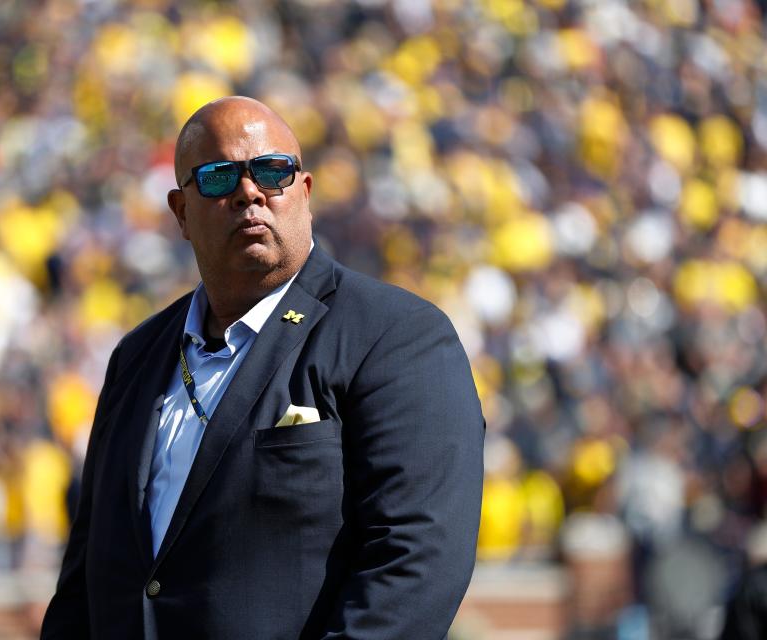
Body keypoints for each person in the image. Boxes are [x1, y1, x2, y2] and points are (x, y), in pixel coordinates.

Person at [41, 96, 485, 639]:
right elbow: (87, 574)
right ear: (181, 211)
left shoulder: (394, 335)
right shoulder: (136, 357)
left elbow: (415, 560)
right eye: (219, 177)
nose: (249, 192)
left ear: (305, 192)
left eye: (272, 172)